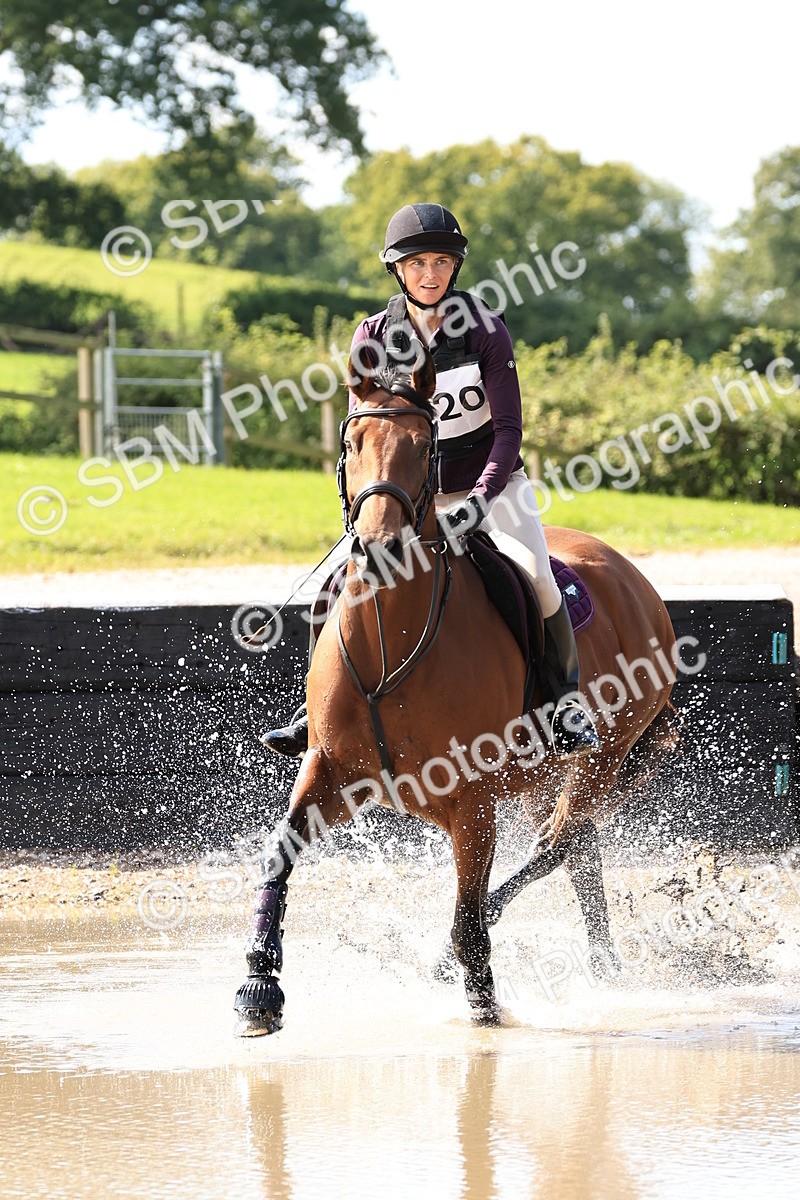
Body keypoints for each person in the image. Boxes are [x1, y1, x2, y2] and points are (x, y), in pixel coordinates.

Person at [262, 203, 600, 760]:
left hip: (491, 483)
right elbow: (363, 434)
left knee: (538, 575)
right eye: (417, 263)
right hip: (406, 495)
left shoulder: (486, 330)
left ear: (455, 266)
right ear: (398, 270)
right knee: (336, 585)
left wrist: (481, 499)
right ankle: (312, 709)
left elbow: (509, 431)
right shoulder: (373, 335)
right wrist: (367, 506)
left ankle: (564, 703)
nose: (430, 274)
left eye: (442, 262)